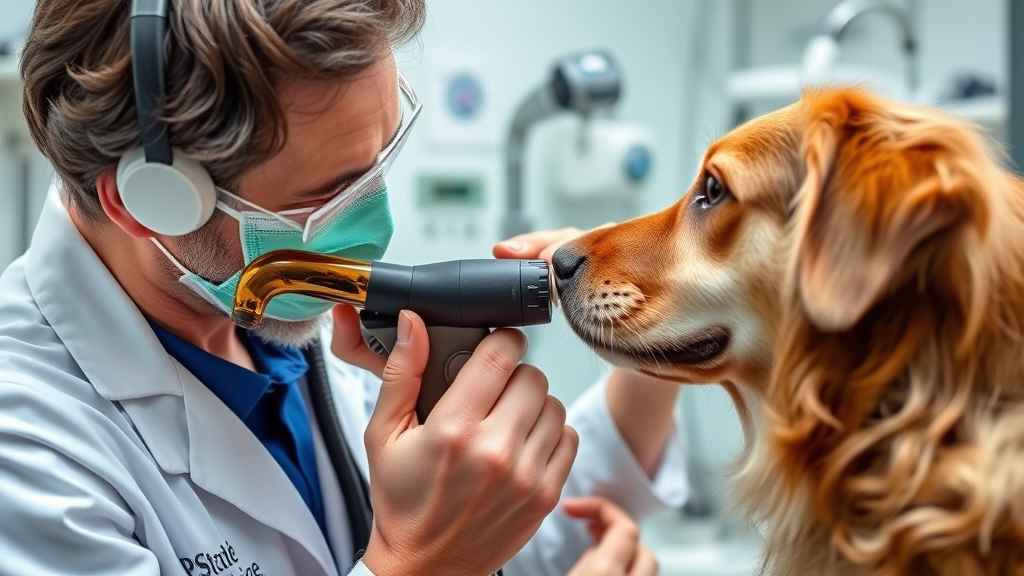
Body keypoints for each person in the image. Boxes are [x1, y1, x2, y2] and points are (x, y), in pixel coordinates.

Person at [0, 1, 687, 575]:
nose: (376, 226)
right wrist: (415, 563)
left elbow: (511, 538)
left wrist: (658, 313)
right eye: (329, 193)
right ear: (150, 204)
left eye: (379, 161)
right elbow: (438, 550)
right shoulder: (28, 450)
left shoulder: (283, 328)